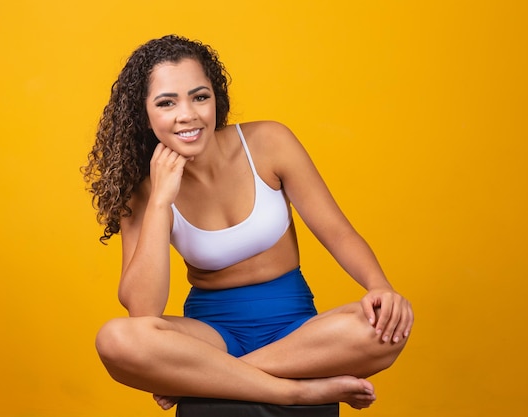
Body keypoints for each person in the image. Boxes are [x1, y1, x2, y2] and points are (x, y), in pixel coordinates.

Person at [83, 34, 413, 411]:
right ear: (144, 115)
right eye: (166, 103)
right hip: (213, 334)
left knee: (382, 327)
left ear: (216, 99)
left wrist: (380, 286)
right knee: (116, 339)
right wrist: (160, 201)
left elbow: (337, 232)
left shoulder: (269, 142)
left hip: (297, 332)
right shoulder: (142, 192)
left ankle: (217, 378)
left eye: (199, 96)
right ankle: (296, 390)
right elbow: (143, 311)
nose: (188, 114)